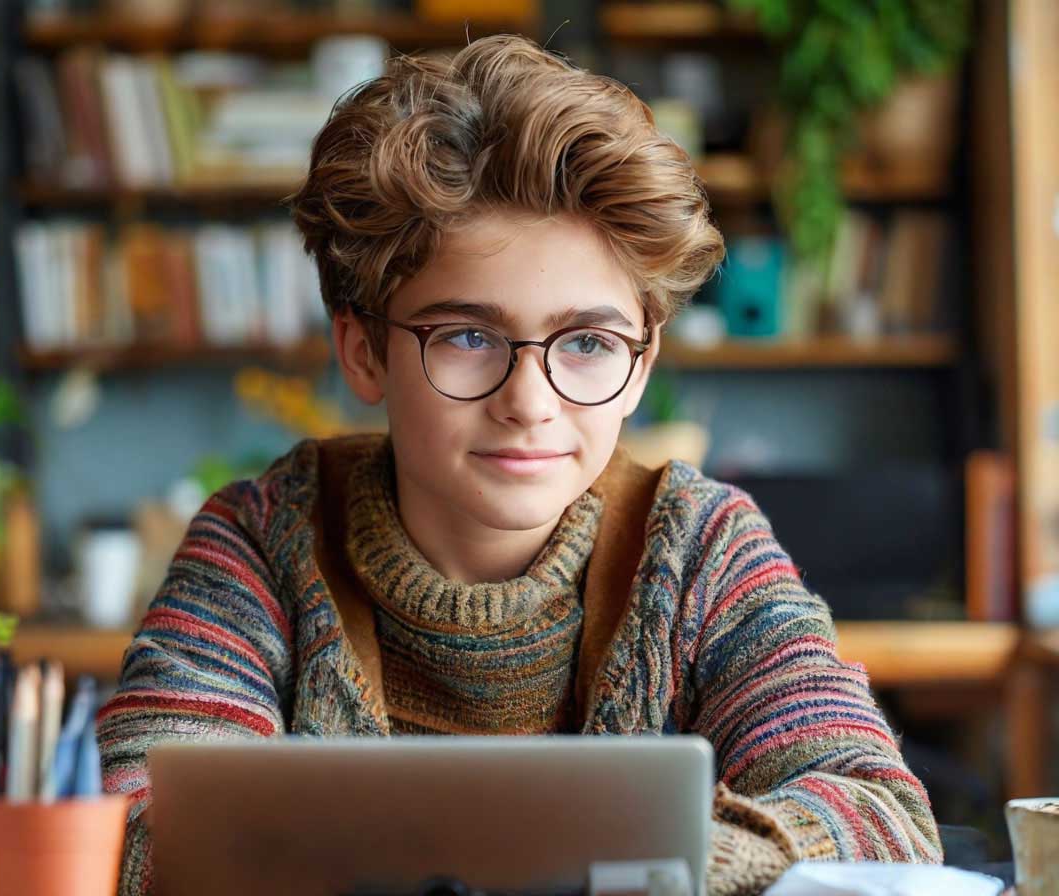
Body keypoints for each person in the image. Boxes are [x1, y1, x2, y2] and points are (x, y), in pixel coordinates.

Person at [97, 35, 942, 896]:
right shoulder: (262, 539)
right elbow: (140, 825)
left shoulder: (701, 549)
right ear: (365, 354)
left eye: (586, 342)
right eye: (467, 336)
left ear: (640, 369)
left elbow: (879, 818)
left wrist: (688, 860)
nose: (530, 401)